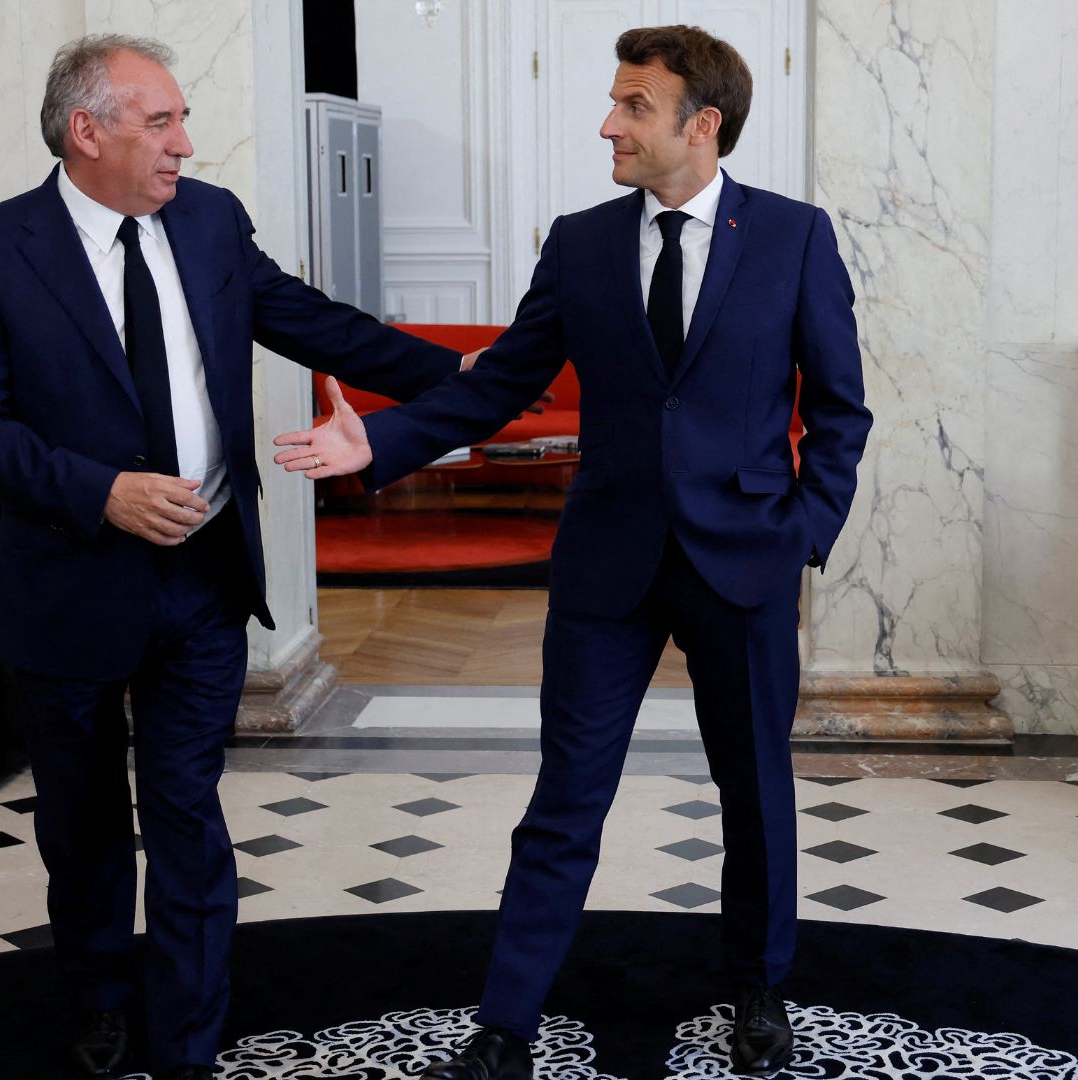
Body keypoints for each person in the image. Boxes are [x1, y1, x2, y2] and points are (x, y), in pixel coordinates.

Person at [276, 25, 872, 1080]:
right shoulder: (582, 241)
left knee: (756, 790)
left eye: (634, 105)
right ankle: (506, 1023)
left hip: (746, 558)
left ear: (704, 124)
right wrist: (380, 442)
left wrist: (804, 535)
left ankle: (759, 987)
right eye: (613, 101)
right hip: (608, 563)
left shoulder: (794, 237)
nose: (610, 122)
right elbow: (497, 382)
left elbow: (839, 410)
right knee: (566, 796)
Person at [0, 34, 468, 1080]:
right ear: (88, 131)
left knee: (185, 808)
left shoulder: (211, 221)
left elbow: (312, 322)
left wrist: (473, 377)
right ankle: (97, 994)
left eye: (181, 120)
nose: (187, 142)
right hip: (70, 588)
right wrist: (102, 493)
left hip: (203, 582)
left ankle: (189, 1036)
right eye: (162, 122)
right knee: (80, 821)